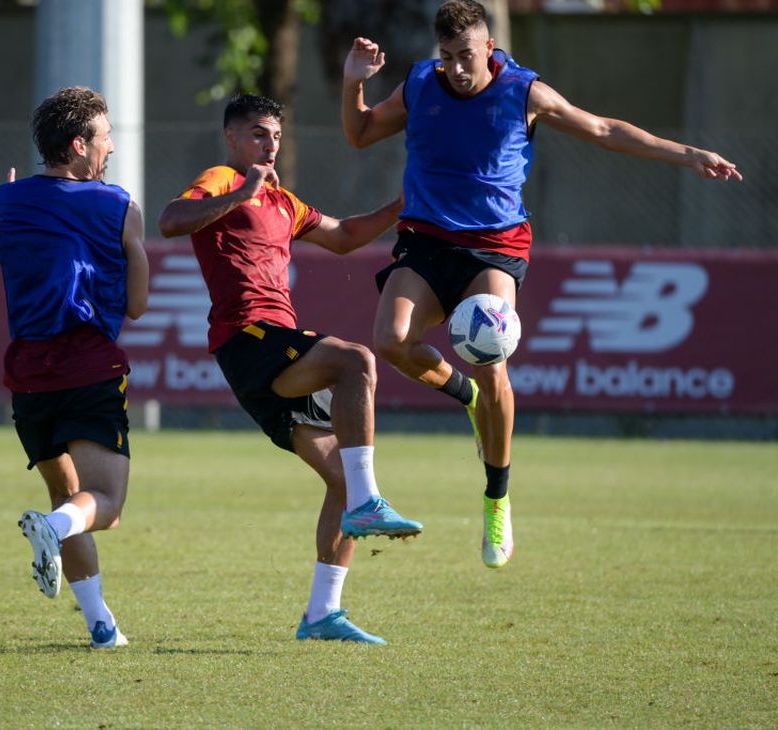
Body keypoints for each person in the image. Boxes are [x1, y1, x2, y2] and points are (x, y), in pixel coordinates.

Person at [340, 0, 742, 569]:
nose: (457, 68)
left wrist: (688, 154)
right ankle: (468, 398)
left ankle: (497, 498)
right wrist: (353, 84)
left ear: (489, 49)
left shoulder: (523, 92)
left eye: (467, 56)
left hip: (495, 245)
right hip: (426, 237)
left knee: (489, 353)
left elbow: (603, 129)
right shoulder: (419, 85)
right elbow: (358, 134)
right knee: (390, 340)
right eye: (448, 56)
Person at [158, 93, 423, 645]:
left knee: (342, 479)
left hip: (273, 349)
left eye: (275, 135)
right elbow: (169, 220)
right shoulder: (220, 179)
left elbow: (346, 236)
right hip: (248, 340)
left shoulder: (283, 201)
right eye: (257, 134)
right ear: (232, 138)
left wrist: (405, 203)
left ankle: (323, 613)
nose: (269, 144)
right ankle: (370, 503)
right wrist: (241, 192)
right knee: (357, 361)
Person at [0, 86, 149, 649]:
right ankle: (52, 531)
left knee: (71, 497)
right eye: (106, 138)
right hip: (88, 365)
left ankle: (102, 626)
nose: (112, 148)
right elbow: (136, 304)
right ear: (80, 145)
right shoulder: (118, 204)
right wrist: (137, 247)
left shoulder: (1, 200)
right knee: (103, 506)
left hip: (28, 375)